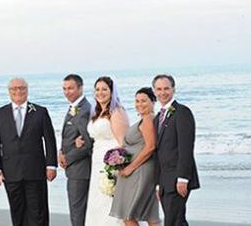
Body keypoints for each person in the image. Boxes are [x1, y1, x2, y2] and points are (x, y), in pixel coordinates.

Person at [0, 77, 58, 226]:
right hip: (11, 172)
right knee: (17, 212)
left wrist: (51, 165)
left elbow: (50, 140)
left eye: (21, 88)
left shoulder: (40, 112)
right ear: (9, 92)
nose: (18, 91)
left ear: (27, 90)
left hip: (36, 171)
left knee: (38, 211)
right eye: (14, 88)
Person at [75, 76, 129, 226]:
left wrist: (115, 167)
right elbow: (97, 135)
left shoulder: (116, 112)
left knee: (109, 202)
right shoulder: (97, 112)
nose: (100, 92)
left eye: (104, 89)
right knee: (97, 202)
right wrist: (81, 140)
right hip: (97, 162)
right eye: (97, 89)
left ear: (112, 92)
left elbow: (124, 143)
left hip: (110, 164)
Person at [110, 87, 161, 226]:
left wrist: (130, 168)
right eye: (137, 101)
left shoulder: (148, 120)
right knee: (149, 214)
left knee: (128, 214)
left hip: (139, 171)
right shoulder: (145, 120)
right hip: (141, 169)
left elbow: (150, 147)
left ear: (153, 102)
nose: (139, 104)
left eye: (144, 101)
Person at [153, 75, 200, 226]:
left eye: (166, 88)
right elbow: (158, 153)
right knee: (177, 221)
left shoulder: (182, 112)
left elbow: (186, 148)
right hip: (164, 181)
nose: (163, 92)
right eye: (159, 89)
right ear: (154, 91)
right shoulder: (157, 118)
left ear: (173, 89)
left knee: (173, 221)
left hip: (178, 179)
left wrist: (183, 178)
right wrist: (158, 184)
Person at [59, 74, 93, 226]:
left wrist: (68, 157)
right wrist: (61, 152)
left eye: (71, 88)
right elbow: (69, 136)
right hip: (74, 168)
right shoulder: (74, 107)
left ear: (80, 88)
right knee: (77, 209)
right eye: (65, 89)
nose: (67, 92)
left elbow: (88, 143)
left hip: (81, 170)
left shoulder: (85, 110)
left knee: (77, 210)